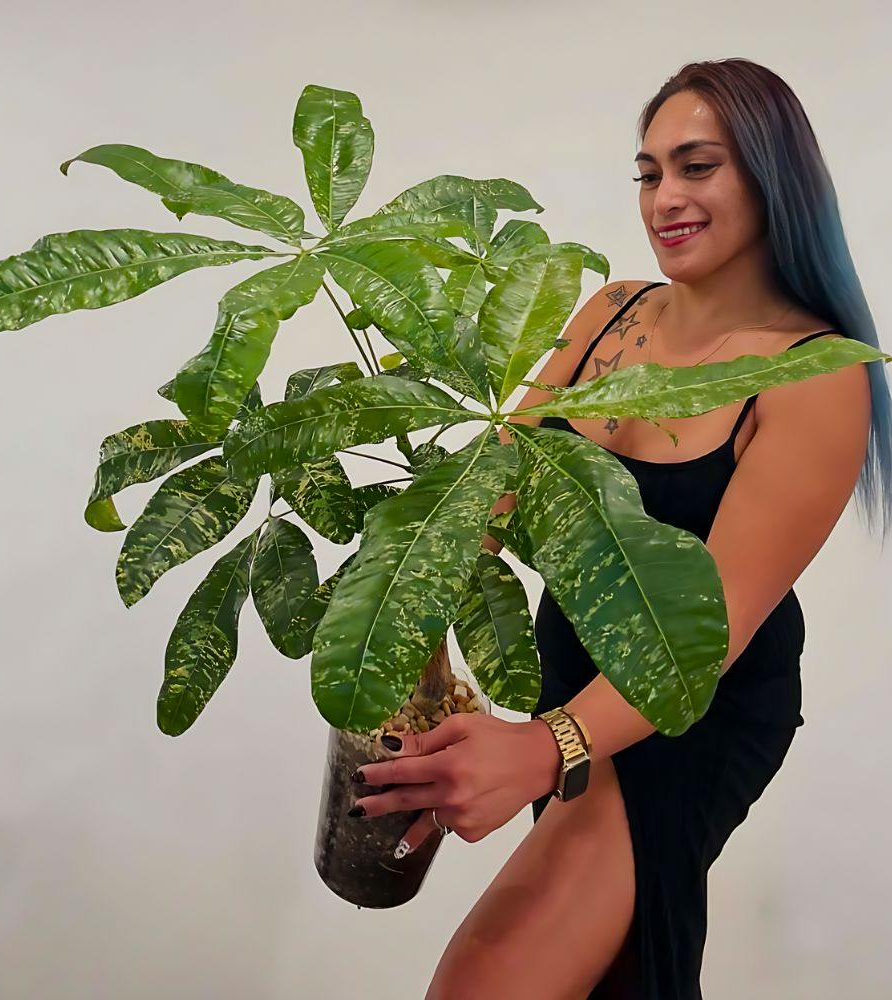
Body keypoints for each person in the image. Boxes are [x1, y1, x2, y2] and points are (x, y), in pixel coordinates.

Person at [345, 58, 889, 999]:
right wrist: (407, 638)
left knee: (481, 986)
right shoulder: (609, 312)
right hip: (573, 680)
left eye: (697, 166)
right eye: (648, 173)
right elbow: (492, 485)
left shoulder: (813, 373)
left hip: (696, 713)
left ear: (771, 175)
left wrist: (541, 747)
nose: (664, 197)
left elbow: (700, 636)